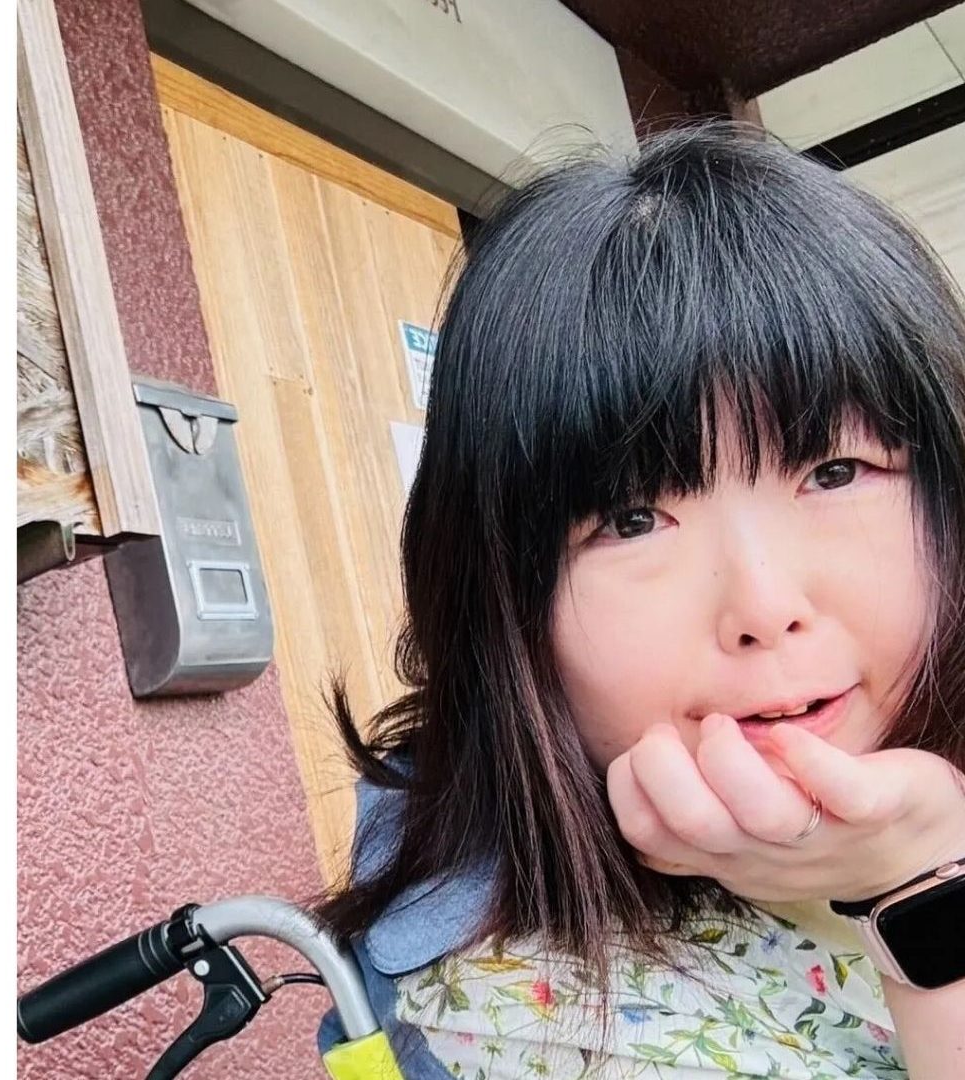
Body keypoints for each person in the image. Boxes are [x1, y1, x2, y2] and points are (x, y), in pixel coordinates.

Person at [313, 122, 965, 1078]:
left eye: (835, 470)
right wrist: (925, 895)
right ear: (507, 609)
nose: (764, 605)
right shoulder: (511, 1022)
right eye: (629, 520)